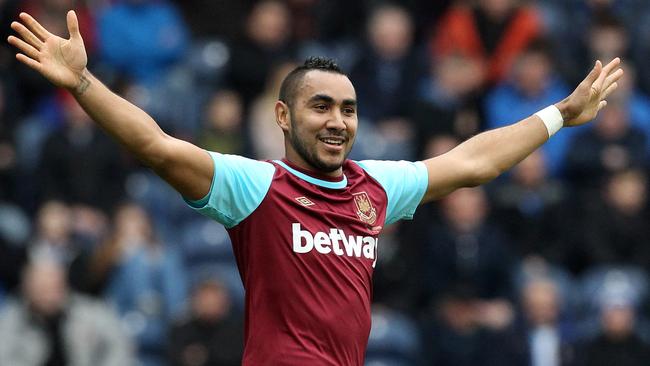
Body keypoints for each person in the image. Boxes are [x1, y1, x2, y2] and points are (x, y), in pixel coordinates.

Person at [7, 10, 623, 365]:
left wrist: (560, 116)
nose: (337, 122)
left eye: (349, 109)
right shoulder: (255, 186)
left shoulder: (374, 185)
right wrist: (84, 84)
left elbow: (473, 164)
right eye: (321, 107)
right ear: (282, 117)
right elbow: (155, 145)